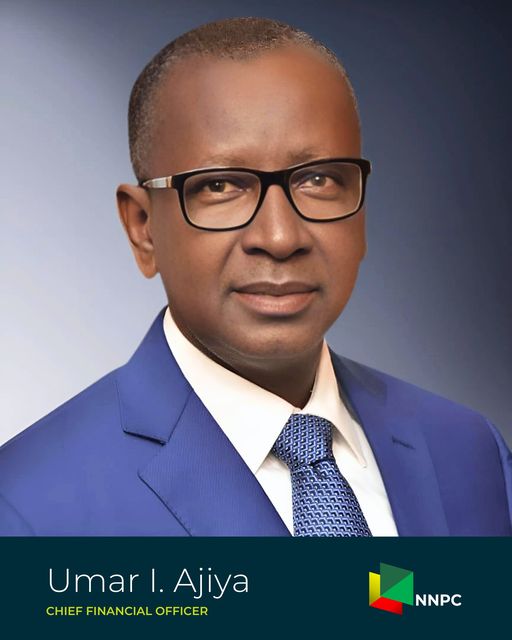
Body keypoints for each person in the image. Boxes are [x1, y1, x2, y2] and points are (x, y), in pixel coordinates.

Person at [0, 17, 510, 536]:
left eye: (318, 179)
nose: (280, 236)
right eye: (220, 186)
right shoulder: (26, 510)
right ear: (143, 227)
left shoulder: (470, 451)